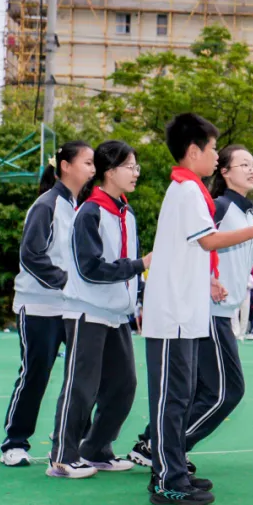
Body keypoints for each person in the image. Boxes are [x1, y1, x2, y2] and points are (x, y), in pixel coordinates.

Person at [129, 146, 253, 474]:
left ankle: (155, 444)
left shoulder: (250, 218)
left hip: (220, 313)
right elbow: (195, 245)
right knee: (226, 391)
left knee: (202, 389)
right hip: (205, 310)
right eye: (243, 164)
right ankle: (164, 448)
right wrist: (208, 278)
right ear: (225, 172)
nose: (252, 170)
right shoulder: (217, 207)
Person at [139, 113, 253, 505]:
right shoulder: (186, 191)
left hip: (187, 311)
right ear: (193, 151)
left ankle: (172, 470)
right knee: (171, 400)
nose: (216, 154)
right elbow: (210, 241)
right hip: (171, 313)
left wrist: (209, 280)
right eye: (213, 148)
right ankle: (167, 481)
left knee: (180, 397)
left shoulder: (192, 191)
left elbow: (190, 250)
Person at [47, 141, 147, 479]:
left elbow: (128, 263)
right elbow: (90, 267)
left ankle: (96, 448)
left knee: (124, 385)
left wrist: (138, 286)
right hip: (87, 312)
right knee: (81, 386)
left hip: (117, 314)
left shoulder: (126, 212)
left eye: (136, 167)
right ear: (109, 171)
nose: (135, 173)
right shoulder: (89, 211)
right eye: (130, 166)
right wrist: (137, 266)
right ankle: (62, 456)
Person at [0, 141, 95, 468]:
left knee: (83, 375)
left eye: (94, 163)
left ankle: (78, 442)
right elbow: (31, 255)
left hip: (71, 308)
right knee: (36, 373)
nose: (92, 169)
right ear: (65, 166)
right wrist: (67, 281)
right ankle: (14, 442)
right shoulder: (47, 205)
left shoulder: (78, 207)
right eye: (86, 162)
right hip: (39, 307)